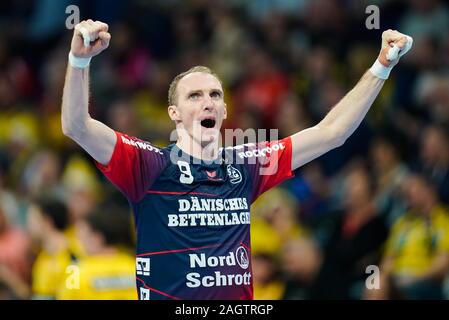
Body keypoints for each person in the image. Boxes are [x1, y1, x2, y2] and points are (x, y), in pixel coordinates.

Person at [61, 19, 413, 300]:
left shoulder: (246, 164)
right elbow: (76, 126)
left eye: (215, 94)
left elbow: (332, 131)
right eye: (194, 96)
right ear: (175, 113)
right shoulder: (151, 166)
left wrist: (382, 66)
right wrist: (80, 60)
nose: (207, 102)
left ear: (225, 110)